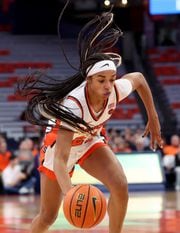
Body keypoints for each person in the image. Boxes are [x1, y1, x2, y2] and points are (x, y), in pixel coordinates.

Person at [17, 3, 164, 233]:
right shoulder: (74, 105)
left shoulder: (115, 89)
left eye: (112, 78)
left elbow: (139, 78)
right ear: (89, 80)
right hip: (59, 149)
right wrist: (72, 193)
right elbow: (61, 160)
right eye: (101, 80)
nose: (108, 85)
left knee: (120, 185)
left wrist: (153, 117)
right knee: (48, 215)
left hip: (89, 141)